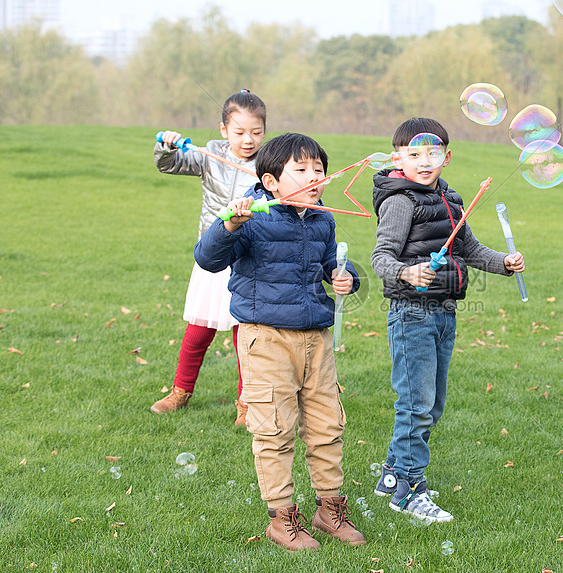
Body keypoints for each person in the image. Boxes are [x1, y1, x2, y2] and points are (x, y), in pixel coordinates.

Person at [194, 133, 365, 551]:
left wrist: (346, 276)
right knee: (275, 429)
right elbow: (208, 258)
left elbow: (332, 264)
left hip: (316, 340)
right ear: (271, 182)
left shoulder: (323, 219)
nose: (314, 177)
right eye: (301, 170)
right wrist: (231, 223)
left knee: (327, 425)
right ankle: (282, 517)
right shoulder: (253, 216)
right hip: (266, 339)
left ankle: (330, 510)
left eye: (319, 170)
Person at [370, 118, 525, 523]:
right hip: (412, 315)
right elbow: (381, 257)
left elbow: (470, 248)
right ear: (397, 158)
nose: (424, 162)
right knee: (417, 405)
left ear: (447, 157)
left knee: (430, 406)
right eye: (414, 154)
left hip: (444, 313)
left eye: (433, 154)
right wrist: (406, 273)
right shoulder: (400, 201)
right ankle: (408, 491)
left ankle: (391, 475)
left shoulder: (449, 199)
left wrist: (503, 263)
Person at [150, 90, 266, 426]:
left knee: (243, 331)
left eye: (256, 132)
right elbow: (168, 165)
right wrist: (167, 145)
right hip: (213, 253)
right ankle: (180, 391)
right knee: (199, 330)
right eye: (240, 132)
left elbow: (289, 189)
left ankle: (247, 404)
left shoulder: (268, 163)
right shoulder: (209, 154)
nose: (248, 140)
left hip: (248, 256)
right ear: (223, 130)